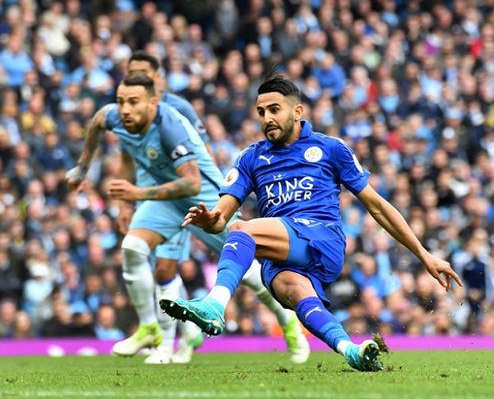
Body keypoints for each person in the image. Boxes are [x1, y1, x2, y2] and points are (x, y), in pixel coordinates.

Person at [160, 74, 462, 371]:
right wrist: (210, 220)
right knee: (296, 294)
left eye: (274, 109)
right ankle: (351, 350)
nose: (267, 118)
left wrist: (424, 254)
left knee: (242, 229)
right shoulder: (251, 158)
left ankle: (215, 304)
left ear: (297, 111)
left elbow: (378, 207)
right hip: (281, 252)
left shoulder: (330, 149)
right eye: (261, 112)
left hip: (322, 238)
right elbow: (220, 219)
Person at [66, 71, 309, 364]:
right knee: (133, 248)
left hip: (202, 198)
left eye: (133, 102)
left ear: (153, 101)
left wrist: (137, 193)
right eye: (121, 102)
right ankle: (150, 328)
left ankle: (289, 325)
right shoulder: (115, 117)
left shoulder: (170, 125)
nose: (125, 109)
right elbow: (97, 123)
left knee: (248, 272)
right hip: (166, 199)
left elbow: (191, 183)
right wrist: (82, 167)